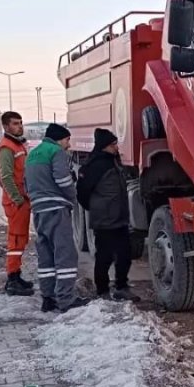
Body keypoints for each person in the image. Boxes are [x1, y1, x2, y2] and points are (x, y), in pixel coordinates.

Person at [26, 123, 89, 313]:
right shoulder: (56, 152)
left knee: (46, 255)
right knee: (65, 255)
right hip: (56, 209)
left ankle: (48, 298)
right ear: (59, 139)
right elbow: (63, 180)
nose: (69, 145)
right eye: (67, 140)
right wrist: (73, 198)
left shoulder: (33, 154)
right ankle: (66, 299)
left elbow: (26, 182)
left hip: (39, 210)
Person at [77, 128, 138, 301]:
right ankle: (102, 290)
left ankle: (121, 287)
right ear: (104, 146)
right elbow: (82, 192)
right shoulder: (94, 165)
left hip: (119, 218)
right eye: (113, 144)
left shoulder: (114, 161)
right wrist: (95, 208)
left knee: (125, 254)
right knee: (104, 256)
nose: (116, 147)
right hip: (104, 220)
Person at [0, 111, 34, 297]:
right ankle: (12, 279)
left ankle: (16, 275)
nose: (20, 126)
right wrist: (18, 199)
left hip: (21, 200)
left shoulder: (17, 144)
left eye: (20, 123)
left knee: (21, 239)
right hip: (16, 202)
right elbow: (6, 177)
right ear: (6, 126)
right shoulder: (7, 147)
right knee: (16, 240)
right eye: (15, 123)